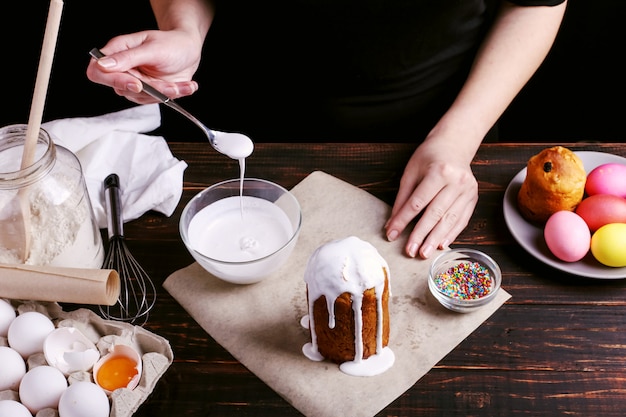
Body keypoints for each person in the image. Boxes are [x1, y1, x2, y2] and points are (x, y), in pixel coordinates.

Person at [87, 0, 567, 259]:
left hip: (434, 138)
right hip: (243, 126)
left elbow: (537, 3)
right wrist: (184, 29)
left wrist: (459, 139)